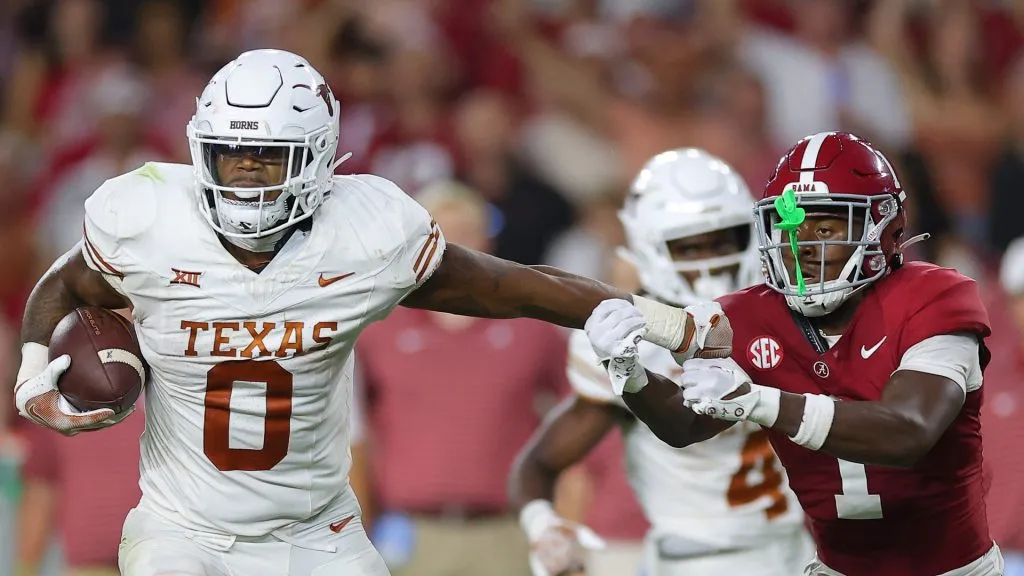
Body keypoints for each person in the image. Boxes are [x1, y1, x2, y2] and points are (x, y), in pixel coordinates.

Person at [10, 49, 720, 576]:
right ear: (203, 153)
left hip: (318, 529)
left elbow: (514, 287)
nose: (248, 177)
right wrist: (33, 369)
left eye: (269, 159)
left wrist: (657, 320)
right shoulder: (150, 221)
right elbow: (64, 282)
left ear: (319, 160)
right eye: (233, 158)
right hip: (184, 531)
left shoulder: (367, 236)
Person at [583, 131, 1003, 576]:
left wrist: (758, 401)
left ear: (884, 229)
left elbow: (908, 431)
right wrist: (630, 375)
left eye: (824, 227)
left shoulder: (933, 296)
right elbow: (683, 423)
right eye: (788, 227)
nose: (802, 243)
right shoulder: (750, 312)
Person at [510, 149, 811, 576]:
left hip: (798, 551)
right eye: (690, 245)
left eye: (724, 238)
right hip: (691, 563)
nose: (711, 258)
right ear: (650, 247)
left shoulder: (786, 316)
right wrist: (544, 526)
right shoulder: (628, 335)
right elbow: (538, 465)